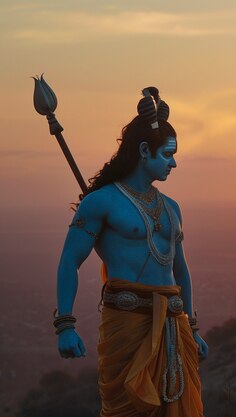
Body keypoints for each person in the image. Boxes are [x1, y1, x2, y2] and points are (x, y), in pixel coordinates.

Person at [55, 87, 207, 416]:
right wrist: (65, 324)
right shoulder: (101, 202)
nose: (174, 163)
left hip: (173, 323)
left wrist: (192, 328)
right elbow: (70, 261)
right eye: (167, 154)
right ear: (143, 151)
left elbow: (180, 270)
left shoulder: (172, 208)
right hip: (127, 323)